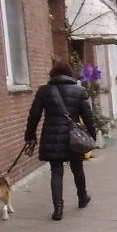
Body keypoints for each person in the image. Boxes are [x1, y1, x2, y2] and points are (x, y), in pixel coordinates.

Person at [24, 61, 96, 221]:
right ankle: (82, 198)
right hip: (73, 137)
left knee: (56, 172)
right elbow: (88, 116)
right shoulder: (79, 91)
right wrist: (92, 135)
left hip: (52, 136)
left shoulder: (43, 91)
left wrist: (30, 135)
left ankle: (58, 209)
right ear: (70, 74)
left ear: (52, 74)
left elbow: (34, 115)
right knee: (77, 168)